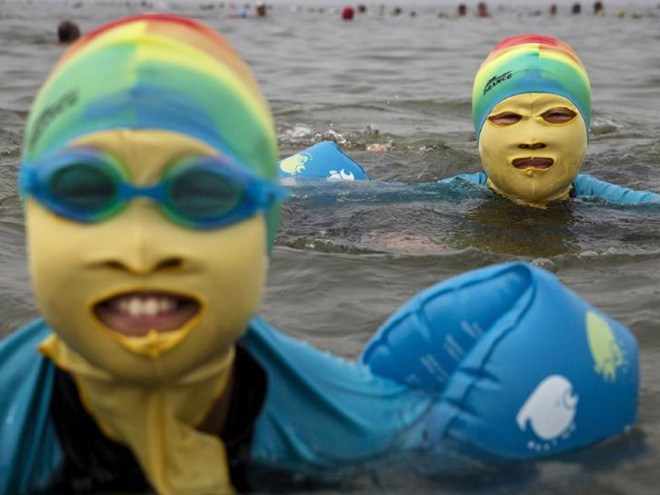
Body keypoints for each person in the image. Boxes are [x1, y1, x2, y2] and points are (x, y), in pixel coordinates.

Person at [0, 15, 639, 495]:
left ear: (264, 220)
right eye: (83, 192)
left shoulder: (375, 427)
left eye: (203, 194)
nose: (142, 249)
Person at [279, 35, 660, 207]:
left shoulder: (613, 202)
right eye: (507, 117)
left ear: (586, 131)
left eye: (557, 116)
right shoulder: (452, 195)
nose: (532, 138)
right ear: (480, 133)